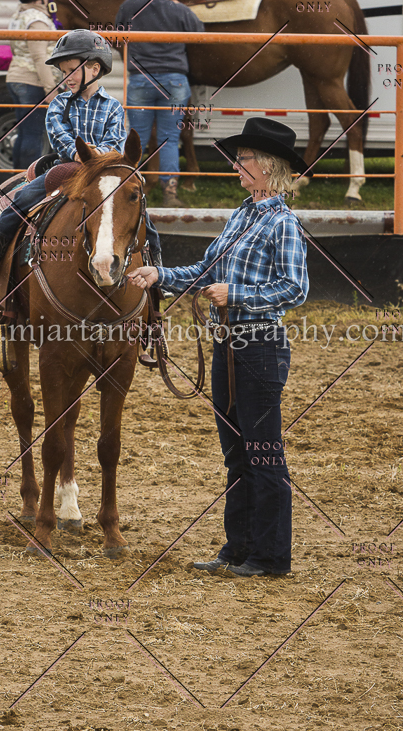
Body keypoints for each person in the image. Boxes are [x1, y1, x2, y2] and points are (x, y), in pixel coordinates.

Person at [128, 118, 309, 577]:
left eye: (242, 159)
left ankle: (269, 557)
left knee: (263, 452)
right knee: (237, 453)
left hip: (259, 345)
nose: (235, 165)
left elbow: (295, 288)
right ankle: (238, 548)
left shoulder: (284, 223)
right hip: (227, 344)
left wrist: (237, 295)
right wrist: (160, 275)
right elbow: (206, 270)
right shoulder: (242, 214)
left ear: (267, 166)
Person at [0, 29, 162, 275]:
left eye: (72, 70)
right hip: (68, 166)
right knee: (23, 198)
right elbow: (58, 136)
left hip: (104, 169)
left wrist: (97, 156)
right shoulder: (58, 104)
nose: (67, 78)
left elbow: (116, 140)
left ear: (95, 69)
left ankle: (156, 264)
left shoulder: (113, 107)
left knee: (141, 214)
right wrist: (78, 153)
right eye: (63, 72)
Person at [115, 0, 205, 208]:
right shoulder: (179, 9)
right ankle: (170, 193)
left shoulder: (132, 5)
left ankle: (122, 190)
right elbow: (200, 34)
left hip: (140, 79)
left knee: (136, 138)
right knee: (169, 138)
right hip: (175, 81)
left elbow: (118, 31)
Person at [5, 0, 58, 170]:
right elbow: (39, 57)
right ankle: (28, 180)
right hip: (31, 82)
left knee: (25, 132)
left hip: (16, 78)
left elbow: (15, 49)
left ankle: (17, 178)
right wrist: (51, 90)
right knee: (33, 134)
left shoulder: (19, 15)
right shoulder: (37, 20)